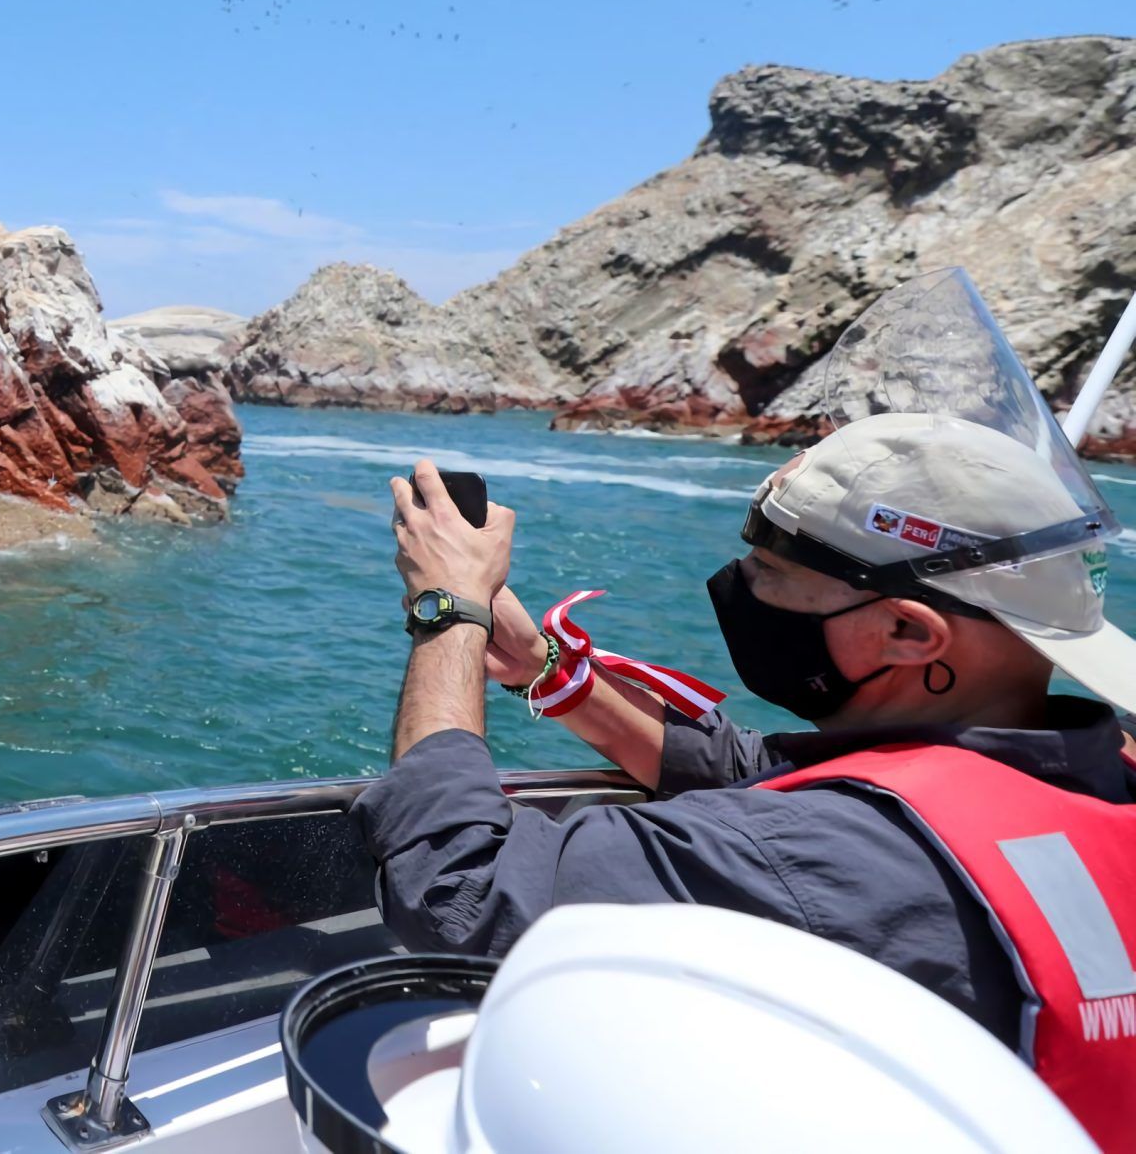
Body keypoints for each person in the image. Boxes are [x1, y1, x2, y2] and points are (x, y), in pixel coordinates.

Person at [350, 278, 1136, 1149]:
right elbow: (794, 779)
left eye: (770, 578)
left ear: (907, 632)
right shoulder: (1098, 772)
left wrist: (447, 613)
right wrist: (542, 667)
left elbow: (456, 892)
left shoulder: (822, 853)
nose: (744, 592)